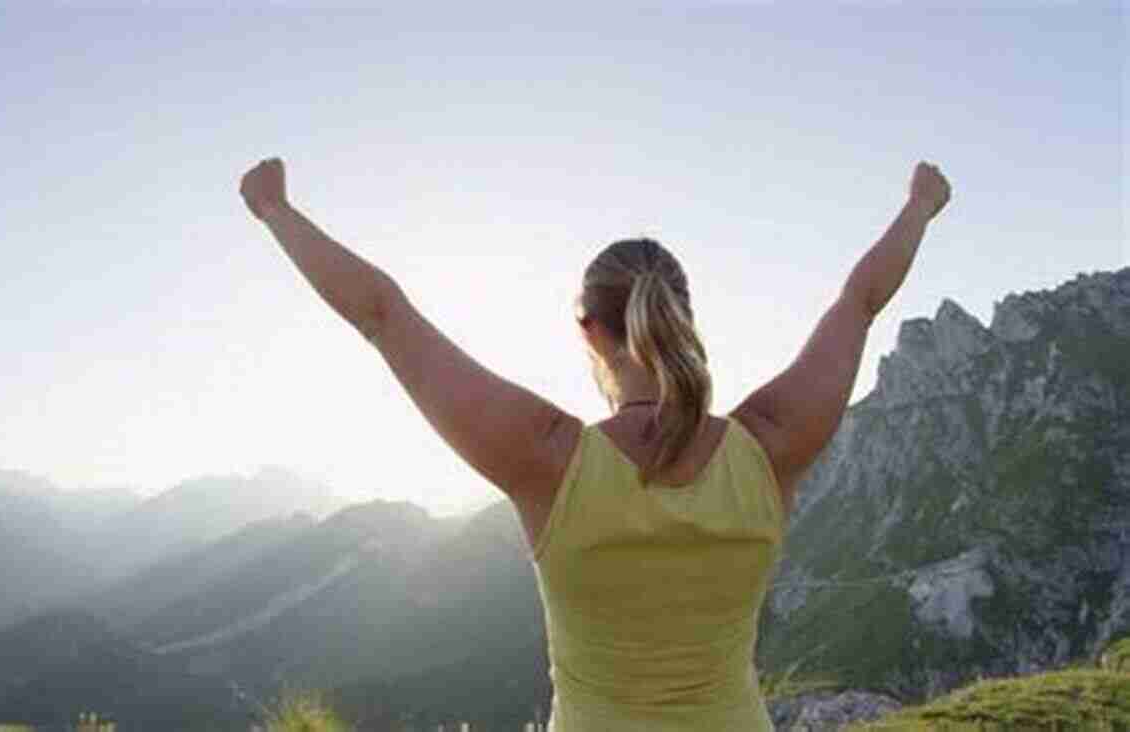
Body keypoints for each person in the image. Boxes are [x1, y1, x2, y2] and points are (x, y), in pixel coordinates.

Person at [239, 158, 952, 730]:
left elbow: (382, 315)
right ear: (684, 316)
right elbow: (860, 302)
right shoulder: (767, 446)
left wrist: (275, 208)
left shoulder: (549, 459)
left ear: (588, 330)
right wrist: (919, 203)